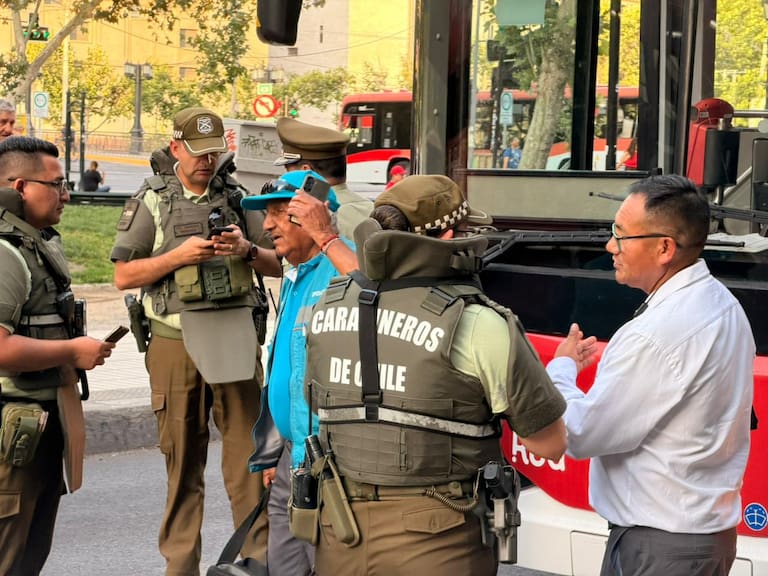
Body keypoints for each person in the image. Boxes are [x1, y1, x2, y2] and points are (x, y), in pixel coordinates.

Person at [303, 174, 571, 576]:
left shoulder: (327, 306)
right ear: (449, 237)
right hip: (440, 540)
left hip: (340, 533)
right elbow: (548, 444)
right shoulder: (478, 323)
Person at [546, 174, 754, 576]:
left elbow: (580, 434)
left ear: (663, 248)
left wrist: (561, 369)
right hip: (700, 538)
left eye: (621, 235)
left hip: (660, 547)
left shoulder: (655, 334)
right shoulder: (723, 304)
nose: (610, 246)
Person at [110, 107, 282, 575]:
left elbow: (279, 264)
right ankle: (181, 566)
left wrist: (246, 250)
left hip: (234, 341)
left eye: (213, 153)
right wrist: (178, 255)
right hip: (175, 343)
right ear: (175, 148)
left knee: (251, 459)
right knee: (183, 464)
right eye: (197, 153)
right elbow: (124, 274)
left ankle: (259, 562)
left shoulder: (238, 198)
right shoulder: (151, 200)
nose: (206, 162)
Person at [0, 136, 115, 575]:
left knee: (28, 556)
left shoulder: (34, 243)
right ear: (20, 186)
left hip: (37, 427)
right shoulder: (6, 252)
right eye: (56, 184)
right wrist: (71, 349)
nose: (66, 194)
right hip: (12, 433)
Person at [241, 169, 357, 576]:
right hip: (294, 460)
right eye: (265, 215)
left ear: (313, 216)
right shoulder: (297, 273)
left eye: (279, 213)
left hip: (335, 463)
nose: (267, 225)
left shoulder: (342, 269)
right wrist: (277, 448)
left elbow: (377, 297)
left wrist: (328, 238)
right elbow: (288, 372)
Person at [273, 117, 373, 239]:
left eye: (288, 171)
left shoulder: (308, 219)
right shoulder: (372, 209)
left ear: (306, 172)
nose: (286, 178)